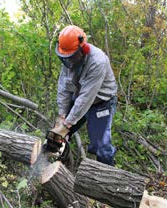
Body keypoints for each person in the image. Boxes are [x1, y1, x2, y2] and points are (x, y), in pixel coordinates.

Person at [51, 25, 118, 166]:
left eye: (72, 56)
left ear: (83, 49)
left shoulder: (97, 62)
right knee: (57, 134)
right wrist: (62, 116)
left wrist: (67, 124)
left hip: (101, 101)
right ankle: (59, 166)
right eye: (66, 57)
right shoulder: (69, 61)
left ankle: (108, 178)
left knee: (101, 144)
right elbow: (63, 88)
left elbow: (86, 98)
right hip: (81, 97)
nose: (69, 60)